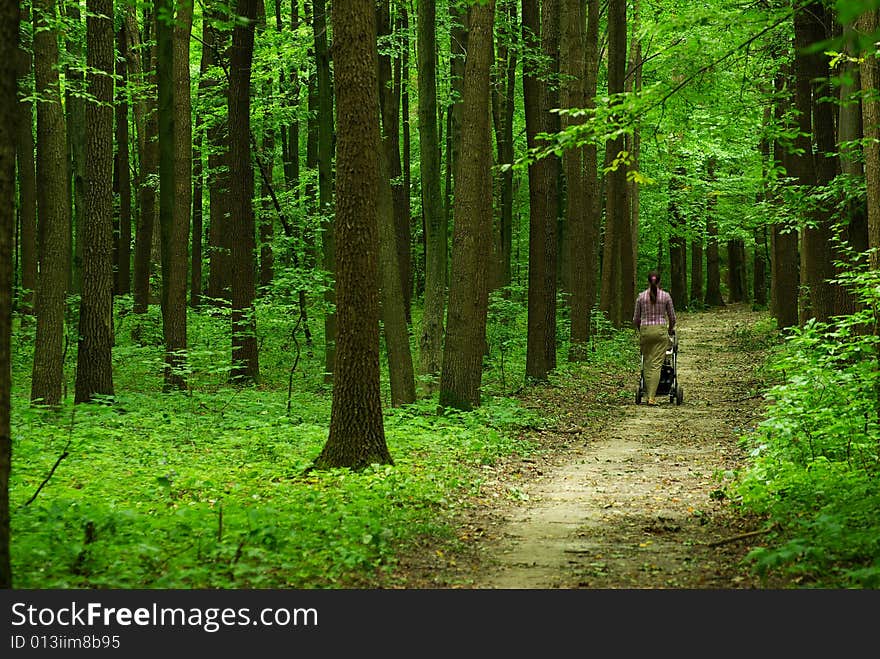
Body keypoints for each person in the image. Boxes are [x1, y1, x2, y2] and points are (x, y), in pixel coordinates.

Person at [632, 270, 676, 405]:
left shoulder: (641, 297)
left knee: (647, 363)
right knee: (657, 365)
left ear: (648, 281)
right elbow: (672, 317)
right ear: (659, 281)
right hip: (660, 331)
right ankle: (651, 398)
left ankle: (647, 393)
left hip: (645, 331)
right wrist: (669, 330)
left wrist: (641, 330)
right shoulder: (665, 296)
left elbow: (636, 319)